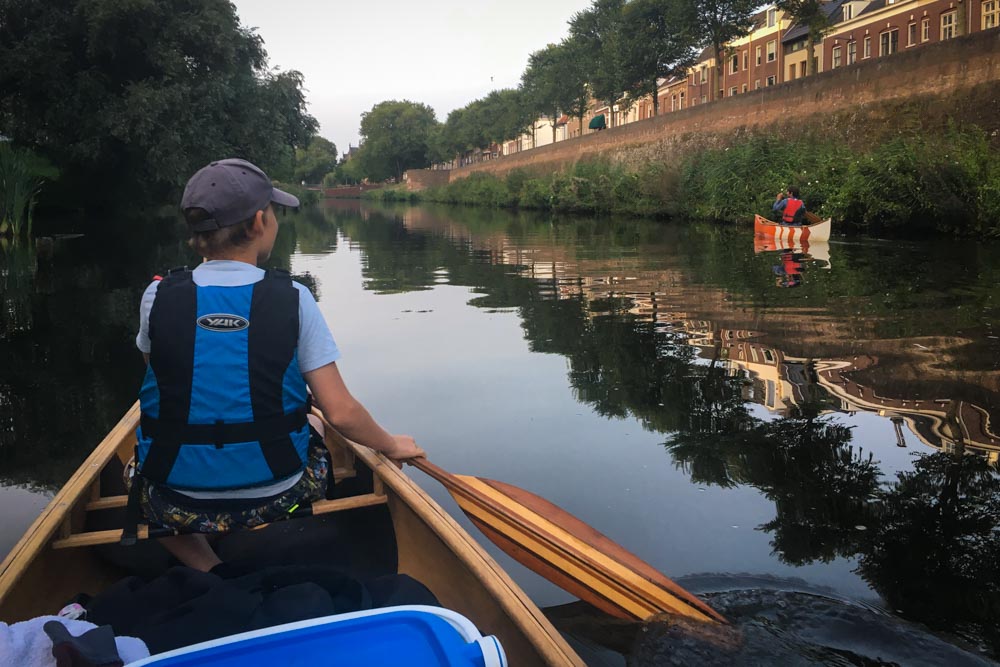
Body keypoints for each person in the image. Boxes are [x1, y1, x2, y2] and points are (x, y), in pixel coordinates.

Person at [128, 158, 425, 572]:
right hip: (277, 493)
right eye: (273, 213)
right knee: (319, 421)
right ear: (257, 223)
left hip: (174, 496)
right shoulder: (294, 297)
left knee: (137, 469)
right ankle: (263, 541)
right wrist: (392, 445)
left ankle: (208, 568)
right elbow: (342, 413)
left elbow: (160, 374)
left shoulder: (156, 295)